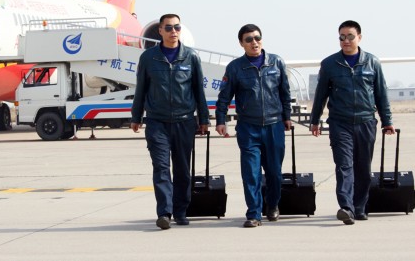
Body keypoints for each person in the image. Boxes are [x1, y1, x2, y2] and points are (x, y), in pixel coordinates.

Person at [310, 20, 394, 225]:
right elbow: (321, 95)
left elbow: (381, 94)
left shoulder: (372, 62)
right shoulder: (330, 64)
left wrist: (387, 120)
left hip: (366, 121)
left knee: (363, 167)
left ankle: (359, 207)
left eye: (350, 36)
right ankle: (346, 207)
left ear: (359, 37)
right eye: (342, 37)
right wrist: (315, 120)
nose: (346, 41)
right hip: (340, 123)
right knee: (344, 165)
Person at [131, 13, 209, 230]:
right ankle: (164, 212)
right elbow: (141, 89)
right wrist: (136, 117)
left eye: (177, 27)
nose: (173, 31)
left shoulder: (191, 57)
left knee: (183, 169)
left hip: (185, 121)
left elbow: (198, 91)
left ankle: (181, 211)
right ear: (160, 31)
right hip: (157, 122)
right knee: (161, 167)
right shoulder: (148, 58)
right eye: (169, 28)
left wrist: (203, 119)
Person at [215, 24, 292, 228]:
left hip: (274, 126)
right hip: (248, 127)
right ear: (241, 44)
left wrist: (287, 117)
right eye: (248, 39)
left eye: (257, 38)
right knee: (251, 172)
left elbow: (285, 93)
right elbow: (224, 96)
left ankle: (273, 205)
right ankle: (254, 213)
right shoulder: (235, 68)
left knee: (274, 172)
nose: (254, 42)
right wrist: (220, 120)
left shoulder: (276, 63)